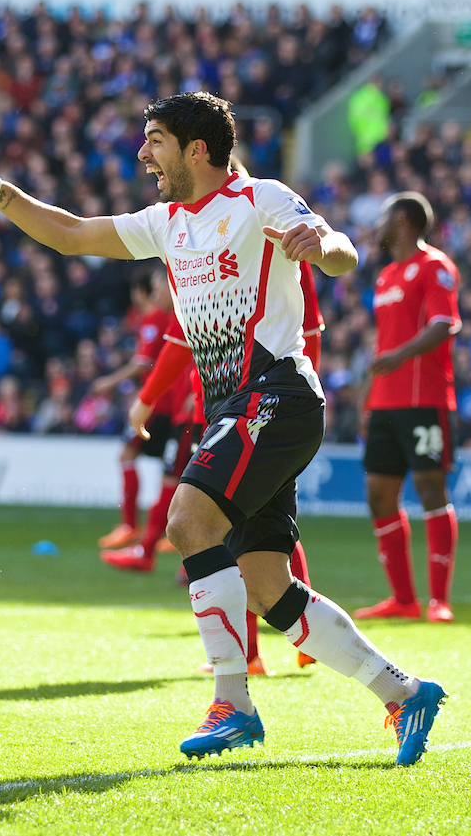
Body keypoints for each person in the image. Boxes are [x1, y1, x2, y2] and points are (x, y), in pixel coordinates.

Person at [0, 91, 445, 765]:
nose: (143, 154)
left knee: (188, 521)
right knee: (266, 586)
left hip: (277, 393)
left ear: (198, 149)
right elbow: (73, 232)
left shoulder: (259, 199)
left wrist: (325, 244)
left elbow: (341, 253)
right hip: (240, 408)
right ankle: (403, 690)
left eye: (156, 140)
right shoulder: (166, 221)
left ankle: (233, 702)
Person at [117, 259, 322, 675]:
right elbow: (180, 339)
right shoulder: (196, 251)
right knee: (269, 524)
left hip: (252, 408)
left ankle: (249, 656)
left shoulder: (269, 246)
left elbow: (311, 327)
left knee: (221, 524)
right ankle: (306, 637)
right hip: (228, 409)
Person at [356, 192, 461, 623]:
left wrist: (400, 356)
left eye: (383, 216)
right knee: (379, 495)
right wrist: (367, 400)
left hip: (424, 400)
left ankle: (439, 600)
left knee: (431, 489)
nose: (377, 224)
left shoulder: (435, 266)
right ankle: (403, 599)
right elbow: (383, 346)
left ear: (402, 219)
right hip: (385, 403)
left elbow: (444, 324)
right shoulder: (384, 278)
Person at [95, 267, 179, 552]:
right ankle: (168, 530)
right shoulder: (164, 317)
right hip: (171, 404)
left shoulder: (155, 317)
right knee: (174, 469)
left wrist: (109, 381)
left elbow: (143, 363)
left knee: (129, 456)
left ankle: (131, 527)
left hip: (157, 404)